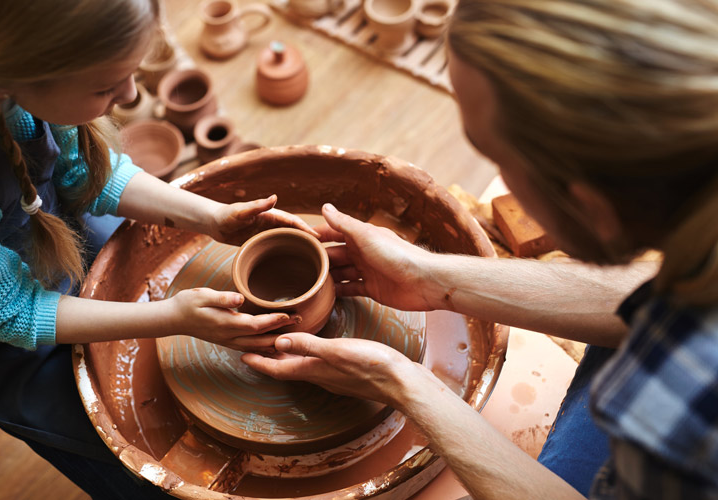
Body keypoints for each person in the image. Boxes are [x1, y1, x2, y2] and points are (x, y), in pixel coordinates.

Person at [243, 0, 718, 498]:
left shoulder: (680, 406)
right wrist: (430, 277)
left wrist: (403, 384)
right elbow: (658, 297)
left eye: (494, 156)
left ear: (590, 205)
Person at [0, 1, 316, 498]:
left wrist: (209, 216)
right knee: (136, 472)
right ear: (11, 85)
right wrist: (172, 318)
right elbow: (7, 311)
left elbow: (84, 173)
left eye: (132, 73)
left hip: (46, 227)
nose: (131, 95)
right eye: (107, 87)